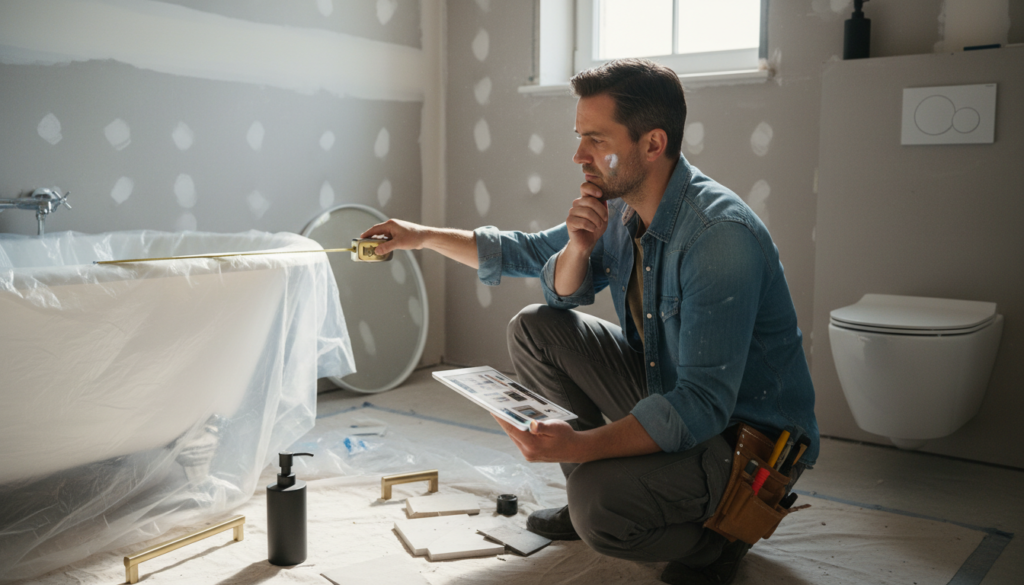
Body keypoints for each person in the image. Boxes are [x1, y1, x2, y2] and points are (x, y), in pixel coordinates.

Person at [362, 58, 818, 585]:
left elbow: (701, 405)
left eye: (596, 140)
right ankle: (600, 488)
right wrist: (419, 237)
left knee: (599, 507)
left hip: (744, 445)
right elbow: (527, 252)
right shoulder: (623, 210)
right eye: (580, 137)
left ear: (653, 143)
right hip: (669, 391)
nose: (579, 155)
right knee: (536, 329)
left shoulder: (718, 237)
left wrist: (579, 445)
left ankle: (717, 539)